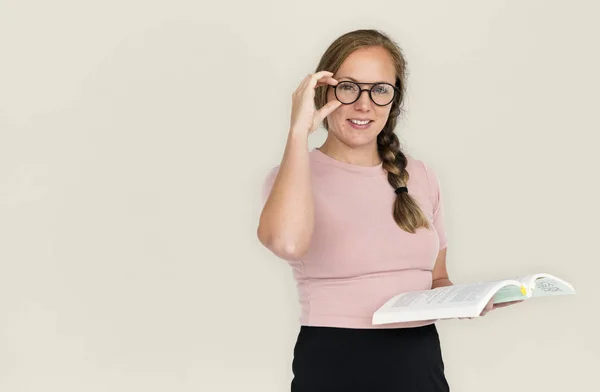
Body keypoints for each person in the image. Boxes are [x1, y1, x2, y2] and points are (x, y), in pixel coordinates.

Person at [257, 29, 519, 392]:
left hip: (419, 359)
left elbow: (437, 280)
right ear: (323, 92)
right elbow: (286, 243)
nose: (364, 104)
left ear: (394, 101)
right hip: (336, 361)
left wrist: (469, 301)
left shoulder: (421, 175)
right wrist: (298, 131)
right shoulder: (293, 174)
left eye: (380, 90)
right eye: (348, 87)